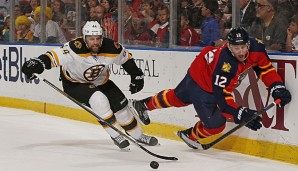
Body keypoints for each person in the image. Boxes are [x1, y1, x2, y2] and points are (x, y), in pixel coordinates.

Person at [129, 27, 291, 149]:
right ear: (229, 46)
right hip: (203, 84)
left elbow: (265, 68)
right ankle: (190, 136)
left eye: (243, 47)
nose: (241, 52)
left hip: (200, 68)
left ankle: (142, 105)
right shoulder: (225, 65)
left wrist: (276, 86)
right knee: (216, 124)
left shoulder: (256, 48)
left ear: (248, 43)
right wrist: (240, 114)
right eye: (236, 48)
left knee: (177, 98)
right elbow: (222, 99)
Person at [21, 21, 159, 150]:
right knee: (99, 100)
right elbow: (52, 57)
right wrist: (37, 64)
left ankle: (138, 136)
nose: (95, 42)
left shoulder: (111, 47)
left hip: (102, 81)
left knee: (122, 109)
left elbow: (126, 59)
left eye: (98, 38)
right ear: (84, 37)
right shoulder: (75, 47)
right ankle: (115, 134)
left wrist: (136, 75)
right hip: (74, 84)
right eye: (91, 39)